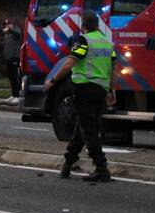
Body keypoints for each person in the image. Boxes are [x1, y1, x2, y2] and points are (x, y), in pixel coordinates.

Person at [45, 11, 117, 183]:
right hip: (101, 90)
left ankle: (102, 169)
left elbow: (70, 63)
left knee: (89, 130)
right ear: (98, 26)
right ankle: (68, 165)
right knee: (83, 128)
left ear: (83, 26)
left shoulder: (84, 41)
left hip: (84, 89)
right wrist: (111, 91)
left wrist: (53, 81)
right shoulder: (107, 43)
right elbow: (113, 69)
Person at [1, 19, 23, 104]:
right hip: (8, 58)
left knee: (16, 77)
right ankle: (13, 94)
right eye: (6, 25)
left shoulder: (16, 30)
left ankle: (18, 95)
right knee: (10, 76)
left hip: (15, 57)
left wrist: (10, 30)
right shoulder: (7, 34)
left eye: (8, 24)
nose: (7, 26)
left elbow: (19, 35)